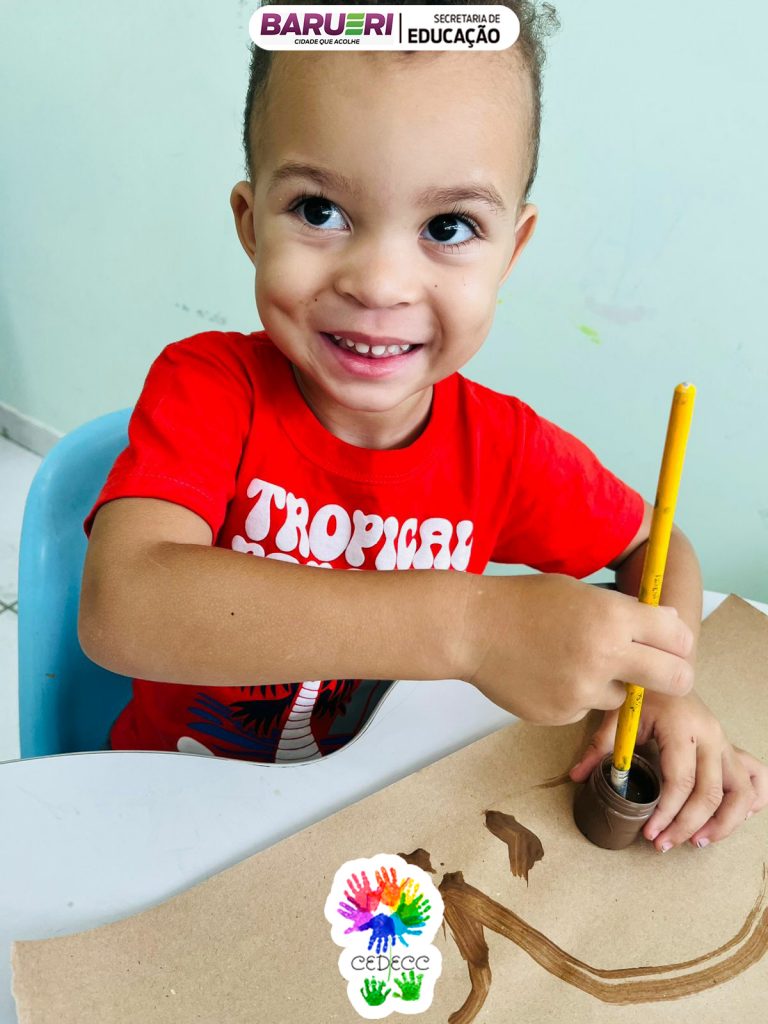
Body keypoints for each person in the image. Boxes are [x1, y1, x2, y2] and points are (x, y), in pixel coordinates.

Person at [79, 0, 767, 852]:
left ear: (512, 251)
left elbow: (657, 548)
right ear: (250, 222)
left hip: (375, 829)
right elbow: (122, 607)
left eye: (448, 227)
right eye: (319, 210)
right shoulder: (211, 388)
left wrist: (659, 685)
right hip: (169, 814)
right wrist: (472, 627)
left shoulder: (505, 451)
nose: (379, 283)